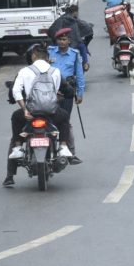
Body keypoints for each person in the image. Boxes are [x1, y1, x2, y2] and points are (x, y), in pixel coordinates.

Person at [3, 45, 73, 187]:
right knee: (64, 117)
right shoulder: (55, 71)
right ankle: (64, 146)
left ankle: (12, 167)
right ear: (47, 58)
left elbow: (14, 91)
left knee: (15, 120)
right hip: (51, 113)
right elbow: (67, 90)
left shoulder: (24, 71)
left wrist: (24, 110)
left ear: (33, 56)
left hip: (30, 114)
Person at [47, 27, 85, 165]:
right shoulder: (50, 52)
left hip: (66, 92)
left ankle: (71, 154)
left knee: (65, 121)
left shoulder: (75, 54)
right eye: (59, 39)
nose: (62, 42)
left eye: (64, 39)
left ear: (69, 41)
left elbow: (79, 75)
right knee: (47, 120)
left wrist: (80, 93)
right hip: (49, 91)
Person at [47, 4, 92, 72]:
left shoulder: (61, 19)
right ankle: (85, 63)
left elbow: (52, 30)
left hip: (62, 42)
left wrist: (57, 38)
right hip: (73, 42)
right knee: (82, 46)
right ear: (75, 12)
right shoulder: (75, 20)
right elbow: (86, 28)